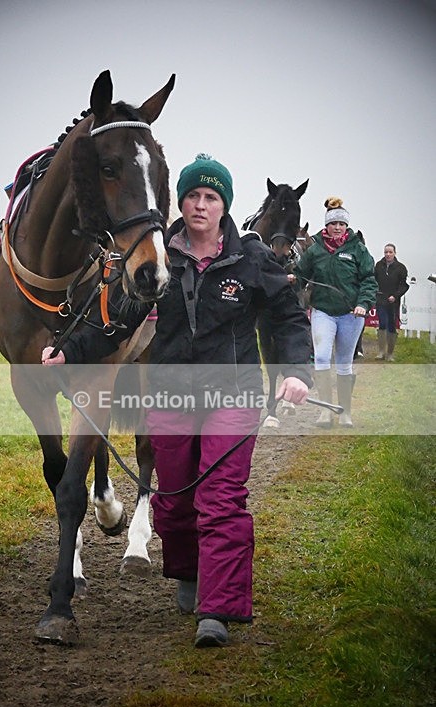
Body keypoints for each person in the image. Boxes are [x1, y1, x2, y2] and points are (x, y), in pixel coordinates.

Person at [42, 153, 312, 648]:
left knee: (221, 497)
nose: (201, 205)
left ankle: (218, 608)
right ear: (180, 202)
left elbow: (287, 316)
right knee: (174, 499)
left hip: (233, 393)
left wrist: (294, 373)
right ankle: (189, 572)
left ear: (224, 204)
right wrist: (69, 351)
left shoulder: (251, 258)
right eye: (192, 196)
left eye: (211, 197)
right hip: (169, 395)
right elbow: (118, 318)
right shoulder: (157, 257)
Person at [290, 197, 377, 428]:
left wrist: (363, 304)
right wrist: (293, 279)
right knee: (320, 357)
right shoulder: (316, 248)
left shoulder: (358, 249)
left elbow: (369, 280)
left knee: (343, 363)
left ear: (346, 227)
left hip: (351, 314)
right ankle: (325, 413)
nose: (337, 228)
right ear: (326, 225)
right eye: (333, 224)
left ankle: (345, 413)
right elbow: (302, 274)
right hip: (323, 312)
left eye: (341, 224)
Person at [374, 243, 409, 361]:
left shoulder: (401, 268)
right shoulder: (378, 266)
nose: (388, 254)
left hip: (393, 302)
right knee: (382, 323)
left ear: (395, 253)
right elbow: (373, 281)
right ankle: (381, 351)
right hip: (380, 300)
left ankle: (390, 354)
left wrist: (395, 296)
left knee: (391, 326)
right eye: (386, 252)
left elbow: (404, 286)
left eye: (390, 252)